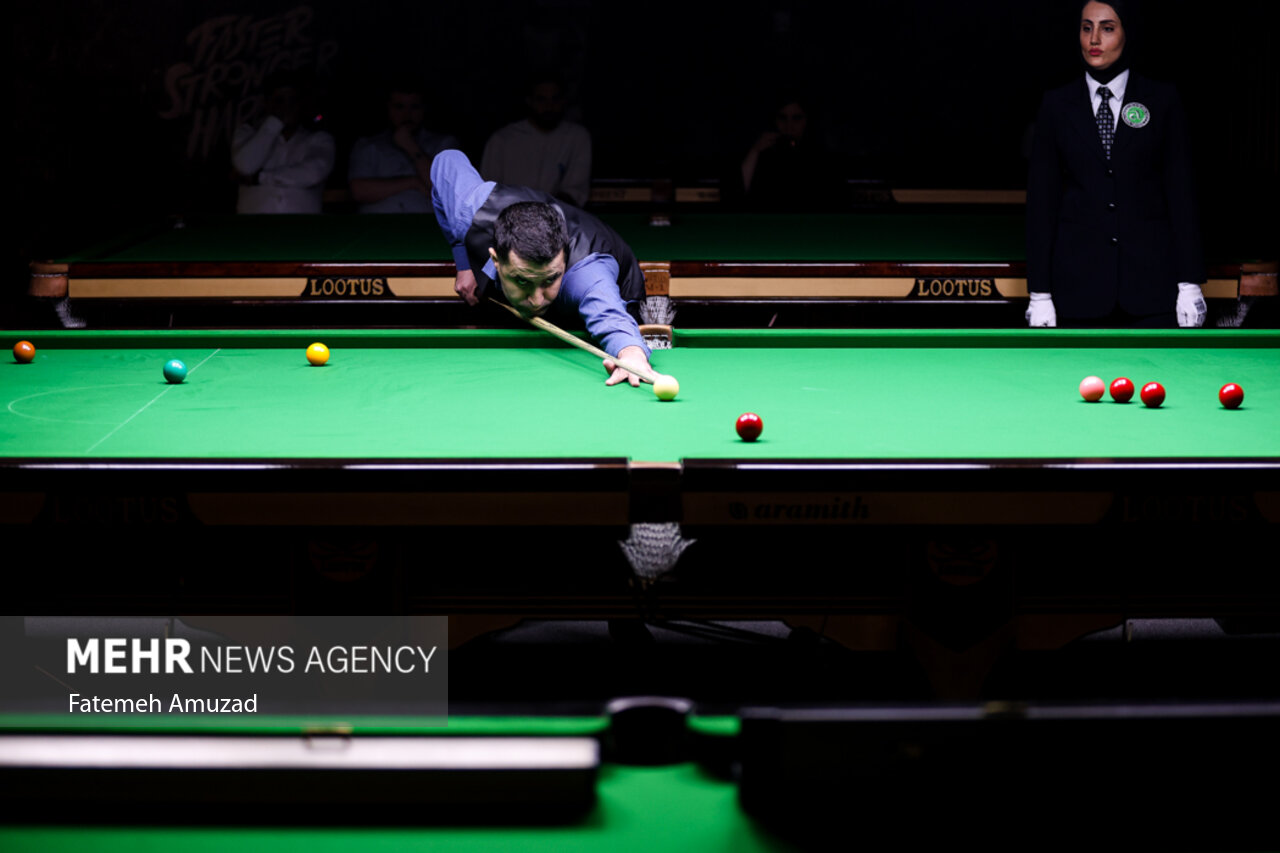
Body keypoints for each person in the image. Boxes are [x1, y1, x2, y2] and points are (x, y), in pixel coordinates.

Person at [1026, 0, 1205, 328]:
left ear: (1127, 33)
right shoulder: (1056, 105)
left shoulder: (1162, 100)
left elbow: (1182, 197)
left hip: (1153, 290)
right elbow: (1042, 204)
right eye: (1086, 28)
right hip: (1076, 291)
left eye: (1107, 28)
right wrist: (1039, 293)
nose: (1094, 39)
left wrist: (1190, 283)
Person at [431, 149, 654, 387]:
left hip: (618, 291)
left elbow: (609, 315)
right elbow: (446, 160)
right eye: (522, 280)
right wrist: (464, 262)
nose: (536, 300)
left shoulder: (587, 275)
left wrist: (632, 354)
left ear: (563, 260)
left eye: (549, 280)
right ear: (496, 260)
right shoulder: (471, 212)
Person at [231, 72, 335, 214]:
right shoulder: (247, 133)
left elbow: (313, 173)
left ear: (301, 104)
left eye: (292, 101)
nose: (287, 107)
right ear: (267, 103)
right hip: (255, 225)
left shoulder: (320, 139)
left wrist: (260, 178)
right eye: (279, 101)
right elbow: (245, 166)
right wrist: (273, 124)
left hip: (301, 226)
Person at [481, 77, 591, 207]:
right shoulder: (502, 139)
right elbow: (488, 193)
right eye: (541, 99)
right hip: (507, 214)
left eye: (555, 99)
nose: (549, 106)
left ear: (563, 101)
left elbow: (574, 192)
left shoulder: (576, 137)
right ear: (529, 101)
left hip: (557, 215)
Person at [349, 84, 460, 213]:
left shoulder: (444, 144)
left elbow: (446, 192)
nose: (407, 115)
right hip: (377, 222)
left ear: (424, 109)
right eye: (399, 107)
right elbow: (358, 192)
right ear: (388, 108)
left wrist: (411, 147)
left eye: (414, 107)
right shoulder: (368, 146)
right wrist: (413, 182)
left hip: (427, 222)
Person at [740, 96, 847, 211]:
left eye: (796, 118)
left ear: (807, 121)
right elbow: (738, 195)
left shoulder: (823, 159)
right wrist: (755, 151)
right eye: (782, 118)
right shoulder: (762, 155)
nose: (789, 127)